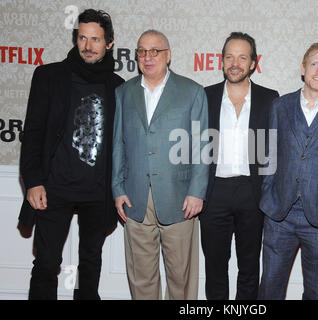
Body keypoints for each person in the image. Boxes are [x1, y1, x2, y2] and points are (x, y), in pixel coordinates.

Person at [19, 9, 124, 300]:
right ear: (76, 39)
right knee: (46, 263)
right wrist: (34, 181)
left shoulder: (118, 88)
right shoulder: (49, 76)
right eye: (82, 38)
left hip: (98, 192)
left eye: (95, 39)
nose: (88, 45)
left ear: (109, 44)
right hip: (54, 189)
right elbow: (33, 133)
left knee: (90, 265)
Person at [112, 29, 208, 300]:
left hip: (180, 199)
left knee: (181, 278)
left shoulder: (192, 92)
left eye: (155, 51)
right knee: (141, 277)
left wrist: (197, 191)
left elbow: (202, 147)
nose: (147, 56)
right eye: (142, 51)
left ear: (168, 55)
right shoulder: (123, 92)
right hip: (134, 197)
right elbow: (118, 142)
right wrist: (117, 188)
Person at [258, 43, 318, 300]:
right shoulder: (280, 106)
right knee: (269, 288)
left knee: (315, 291)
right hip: (280, 214)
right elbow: (268, 154)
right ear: (303, 68)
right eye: (314, 64)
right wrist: (268, 193)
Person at [200, 32, 279, 300]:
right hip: (213, 194)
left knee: (249, 268)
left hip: (252, 193)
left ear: (253, 63)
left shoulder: (270, 99)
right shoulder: (205, 96)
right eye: (229, 57)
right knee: (215, 268)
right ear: (221, 61)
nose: (235, 63)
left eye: (242, 57)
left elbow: (275, 151)